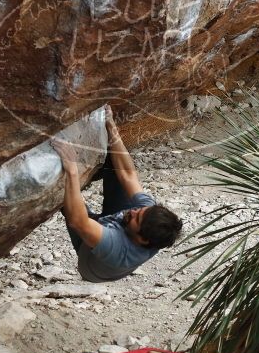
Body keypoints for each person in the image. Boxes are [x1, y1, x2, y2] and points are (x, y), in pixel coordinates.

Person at [52, 106, 183, 282]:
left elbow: (78, 221)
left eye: (137, 219)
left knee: (66, 197)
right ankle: (96, 164)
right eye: (140, 211)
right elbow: (128, 174)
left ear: (142, 240)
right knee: (117, 168)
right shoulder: (148, 217)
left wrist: (72, 170)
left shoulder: (118, 249)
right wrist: (111, 126)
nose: (134, 211)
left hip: (90, 259)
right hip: (117, 231)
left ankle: (77, 176)